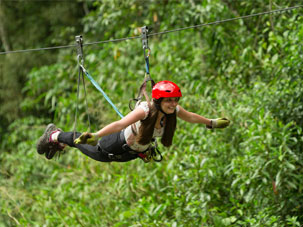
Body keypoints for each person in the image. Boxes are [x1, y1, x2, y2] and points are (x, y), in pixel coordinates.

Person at [37, 80, 230, 162]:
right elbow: (120, 124)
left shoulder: (173, 112)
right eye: (169, 100)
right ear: (159, 101)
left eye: (175, 100)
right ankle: (55, 135)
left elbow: (191, 116)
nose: (173, 104)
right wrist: (96, 135)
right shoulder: (145, 110)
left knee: (87, 146)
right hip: (114, 143)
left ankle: (58, 139)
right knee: (86, 145)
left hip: (132, 153)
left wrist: (211, 122)